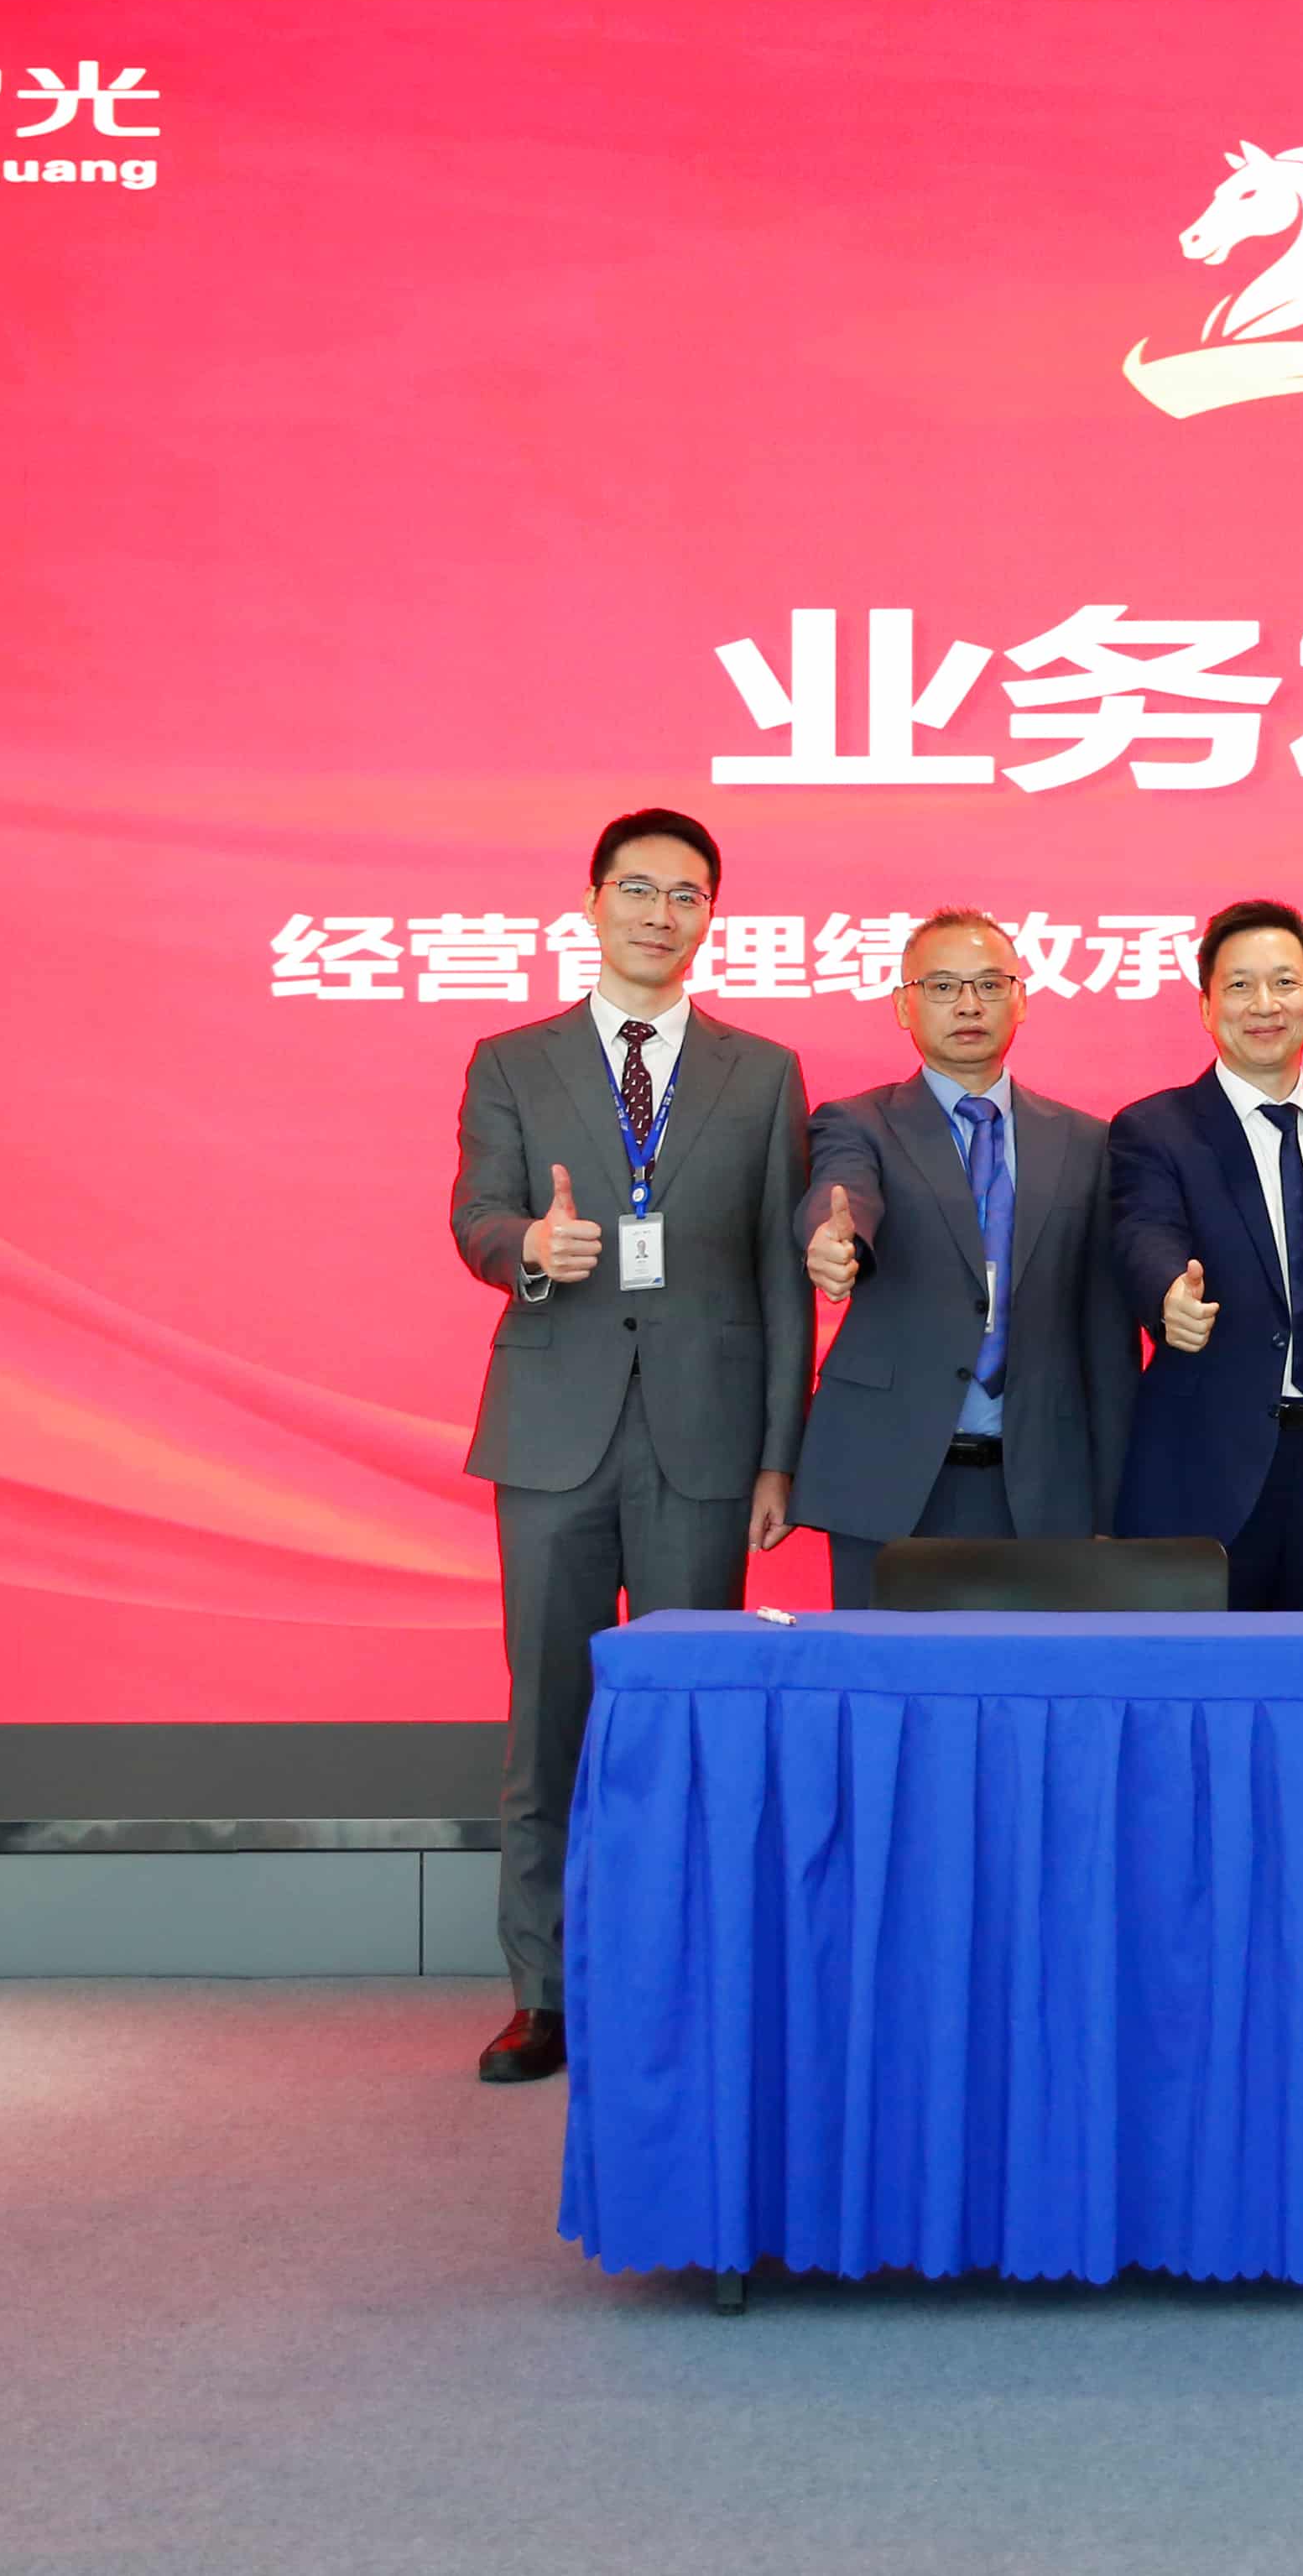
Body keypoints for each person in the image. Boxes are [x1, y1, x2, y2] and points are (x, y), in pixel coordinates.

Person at [448, 810, 811, 2085]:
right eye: (639, 889)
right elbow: (476, 1215)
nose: (662, 914)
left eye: (687, 895)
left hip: (704, 1445)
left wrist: (778, 1455)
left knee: (690, 1722)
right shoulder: (513, 1059)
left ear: (713, 916)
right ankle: (542, 1994)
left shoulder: (763, 1073)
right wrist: (528, 1251)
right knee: (547, 1720)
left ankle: (680, 1983)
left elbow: (781, 1277)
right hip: (554, 1434)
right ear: (594, 901)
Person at [795, 910, 1134, 1606]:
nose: (969, 1005)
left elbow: (1106, 1334)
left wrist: (1110, 1501)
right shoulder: (859, 1121)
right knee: (882, 1669)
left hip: (1041, 1484)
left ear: (1021, 999)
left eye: (989, 984)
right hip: (887, 1476)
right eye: (943, 986)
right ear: (904, 1005)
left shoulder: (1086, 1142)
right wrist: (834, 1242)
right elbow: (842, 1193)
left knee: (1028, 1672)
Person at [1104, 900, 1303, 1609]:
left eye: (1284, 983)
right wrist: (1169, 1297)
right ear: (1206, 1007)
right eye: (1239, 986)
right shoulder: (1154, 1129)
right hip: (1204, 1471)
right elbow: (1144, 1232)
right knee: (1196, 1673)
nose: (1264, 1005)